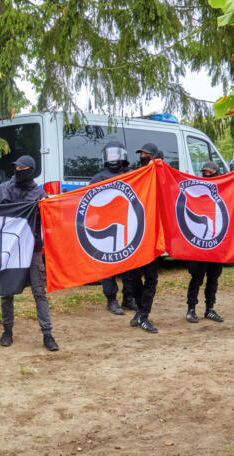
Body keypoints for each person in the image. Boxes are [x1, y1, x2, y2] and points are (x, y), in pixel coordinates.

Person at [0, 155, 59, 351]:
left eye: (22, 168)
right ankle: (7, 331)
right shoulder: (3, 190)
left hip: (32, 250)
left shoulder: (39, 194)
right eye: (16, 168)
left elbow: (49, 221)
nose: (18, 171)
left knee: (39, 292)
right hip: (9, 249)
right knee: (7, 292)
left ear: (31, 170)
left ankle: (47, 334)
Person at [89, 141, 137, 315]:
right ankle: (111, 300)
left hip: (128, 227)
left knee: (130, 265)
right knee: (108, 266)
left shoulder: (133, 175)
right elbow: (88, 202)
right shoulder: (98, 178)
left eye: (116, 155)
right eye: (111, 155)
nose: (113, 158)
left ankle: (129, 298)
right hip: (107, 228)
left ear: (122, 155)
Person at [185, 162, 225, 323]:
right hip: (199, 245)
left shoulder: (223, 191)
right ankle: (191, 309)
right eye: (204, 172)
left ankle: (209, 309)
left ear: (216, 173)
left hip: (216, 245)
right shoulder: (197, 190)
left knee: (213, 278)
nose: (207, 174)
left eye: (210, 172)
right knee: (196, 278)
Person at [128, 143, 161, 333]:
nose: (142, 156)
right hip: (135, 234)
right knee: (132, 277)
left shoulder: (159, 175)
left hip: (154, 235)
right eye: (141, 153)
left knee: (150, 277)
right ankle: (140, 310)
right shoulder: (135, 174)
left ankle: (144, 314)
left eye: (146, 154)